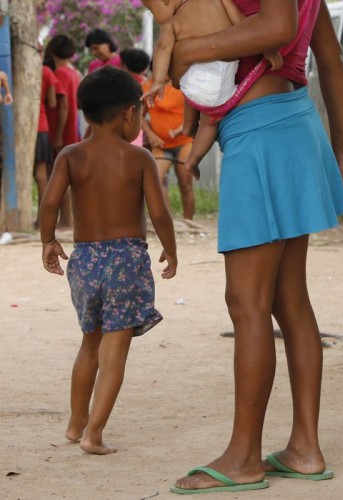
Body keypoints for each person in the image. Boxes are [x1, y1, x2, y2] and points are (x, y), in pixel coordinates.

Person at [163, 0, 343, 494]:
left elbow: (276, 27)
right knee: (287, 299)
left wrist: (189, 47)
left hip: (261, 133)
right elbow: (329, 58)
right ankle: (303, 449)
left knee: (247, 302)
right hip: (288, 122)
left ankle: (243, 457)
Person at [39, 66, 178, 455]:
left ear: (84, 112)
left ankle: (75, 422)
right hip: (126, 260)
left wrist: (48, 241)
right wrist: (171, 247)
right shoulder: (139, 158)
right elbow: (160, 213)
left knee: (89, 345)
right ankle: (94, 434)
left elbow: (49, 203)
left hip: (84, 260)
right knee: (113, 352)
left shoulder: (70, 155)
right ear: (129, 114)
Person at [141, 0, 283, 180]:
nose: (154, 16)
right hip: (220, 80)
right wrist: (266, 48)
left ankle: (188, 128)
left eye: (151, 9)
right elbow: (242, 23)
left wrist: (158, 81)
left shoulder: (172, 23)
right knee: (210, 122)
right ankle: (194, 158)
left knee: (194, 95)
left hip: (192, 82)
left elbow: (163, 48)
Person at [142, 73, 196, 219]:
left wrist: (179, 130)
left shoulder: (183, 85)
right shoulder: (147, 87)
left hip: (183, 142)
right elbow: (139, 115)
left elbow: (196, 113)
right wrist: (150, 134)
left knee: (185, 184)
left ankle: (188, 222)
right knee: (156, 181)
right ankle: (169, 221)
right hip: (160, 144)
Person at [44, 34, 82, 228]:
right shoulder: (75, 73)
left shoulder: (59, 73)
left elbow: (64, 105)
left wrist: (58, 134)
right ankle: (69, 217)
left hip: (62, 130)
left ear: (51, 51)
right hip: (73, 129)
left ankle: (66, 219)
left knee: (59, 175)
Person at [34, 63, 58, 228]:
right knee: (41, 175)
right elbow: (52, 102)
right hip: (40, 125)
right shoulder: (45, 71)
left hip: (11, 127)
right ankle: (41, 221)